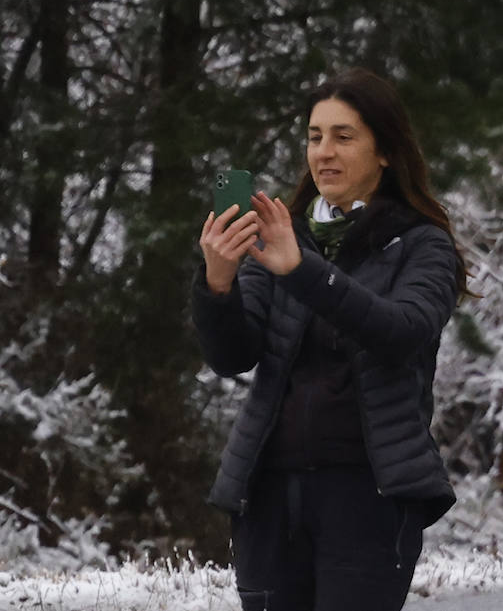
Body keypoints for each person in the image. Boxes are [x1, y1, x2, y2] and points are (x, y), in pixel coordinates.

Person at [192, 67, 468, 611]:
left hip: (369, 493)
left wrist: (304, 272)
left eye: (344, 136)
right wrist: (217, 282)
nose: (324, 152)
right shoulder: (280, 235)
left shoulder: (423, 245)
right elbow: (233, 356)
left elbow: (400, 332)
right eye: (315, 137)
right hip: (269, 493)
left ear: (385, 150)